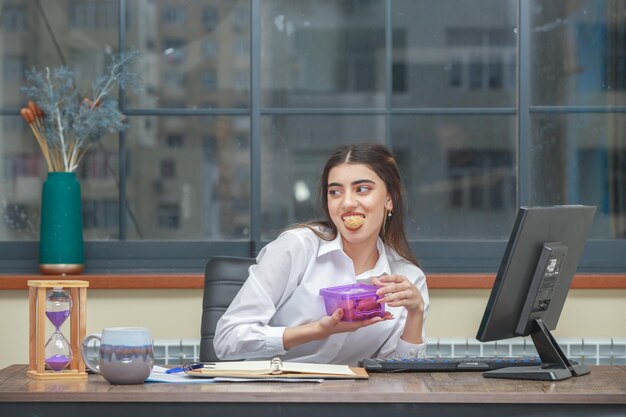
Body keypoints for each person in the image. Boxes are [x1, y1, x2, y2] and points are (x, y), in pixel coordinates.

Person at [214, 143, 429, 365]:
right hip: (275, 390)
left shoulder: (407, 279)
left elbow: (400, 374)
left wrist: (416, 313)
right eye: (335, 192)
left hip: (349, 396)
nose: (347, 203)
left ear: (389, 198)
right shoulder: (296, 247)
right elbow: (227, 339)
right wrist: (317, 330)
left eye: (362, 189)